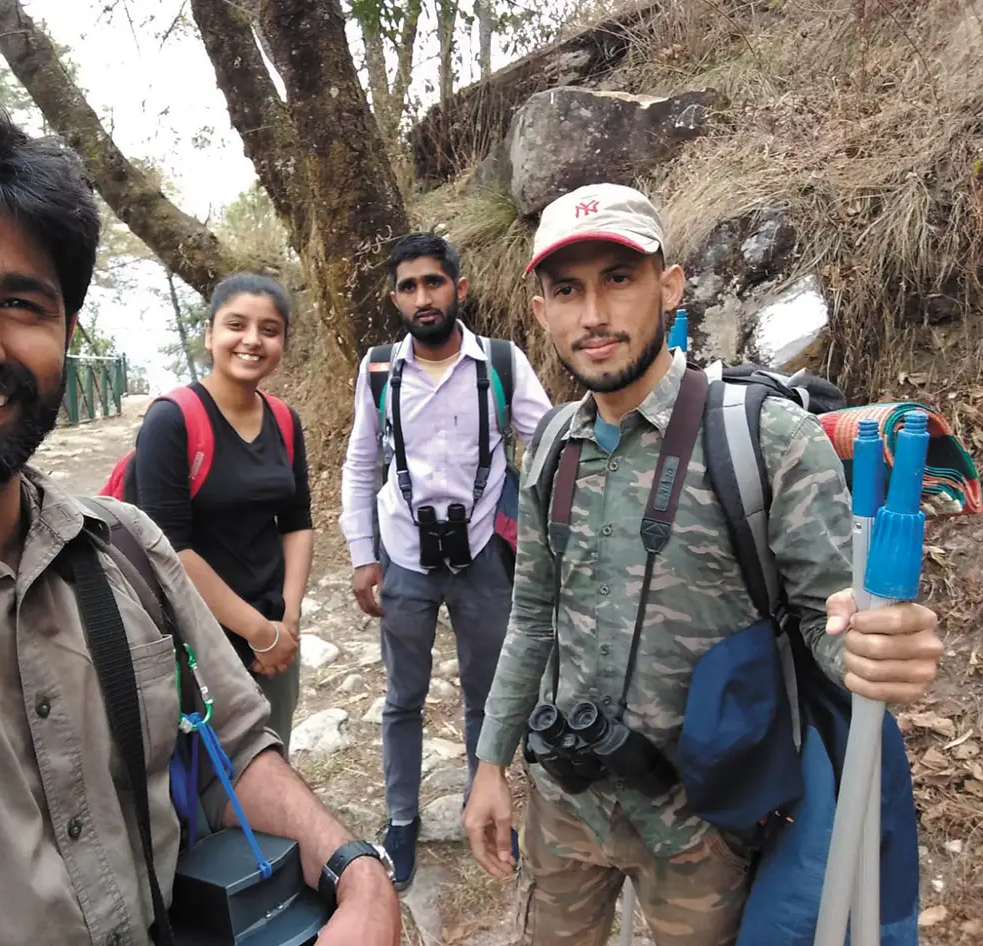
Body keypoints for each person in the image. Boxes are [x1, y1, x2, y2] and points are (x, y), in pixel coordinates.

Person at [0, 103, 399, 946]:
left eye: (19, 303)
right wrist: (259, 624)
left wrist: (355, 872)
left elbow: (235, 744)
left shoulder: (122, 550)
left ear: (67, 333)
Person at [462, 183, 943, 945]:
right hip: (566, 805)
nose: (594, 315)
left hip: (703, 822)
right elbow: (530, 618)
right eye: (568, 290)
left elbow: (830, 616)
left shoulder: (767, 437)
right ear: (540, 312)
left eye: (618, 279)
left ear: (670, 285)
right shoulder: (551, 444)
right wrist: (489, 763)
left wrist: (875, 646)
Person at [339, 232, 553, 888]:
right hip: (403, 555)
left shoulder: (501, 363)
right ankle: (401, 819)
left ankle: (482, 804)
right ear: (396, 297)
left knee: (485, 696)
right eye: (408, 286)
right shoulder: (379, 370)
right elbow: (361, 462)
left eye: (434, 282)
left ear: (458, 288)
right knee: (402, 697)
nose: (422, 297)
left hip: (484, 556)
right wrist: (361, 555)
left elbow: (546, 443)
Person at [127, 272, 312, 752]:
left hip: (272, 630)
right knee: (206, 778)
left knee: (273, 757)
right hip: (194, 640)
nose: (252, 340)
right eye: (237, 325)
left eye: (269, 330)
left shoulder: (285, 421)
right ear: (210, 334)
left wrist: (286, 620)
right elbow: (169, 548)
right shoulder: (172, 420)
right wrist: (256, 631)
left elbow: (297, 522)